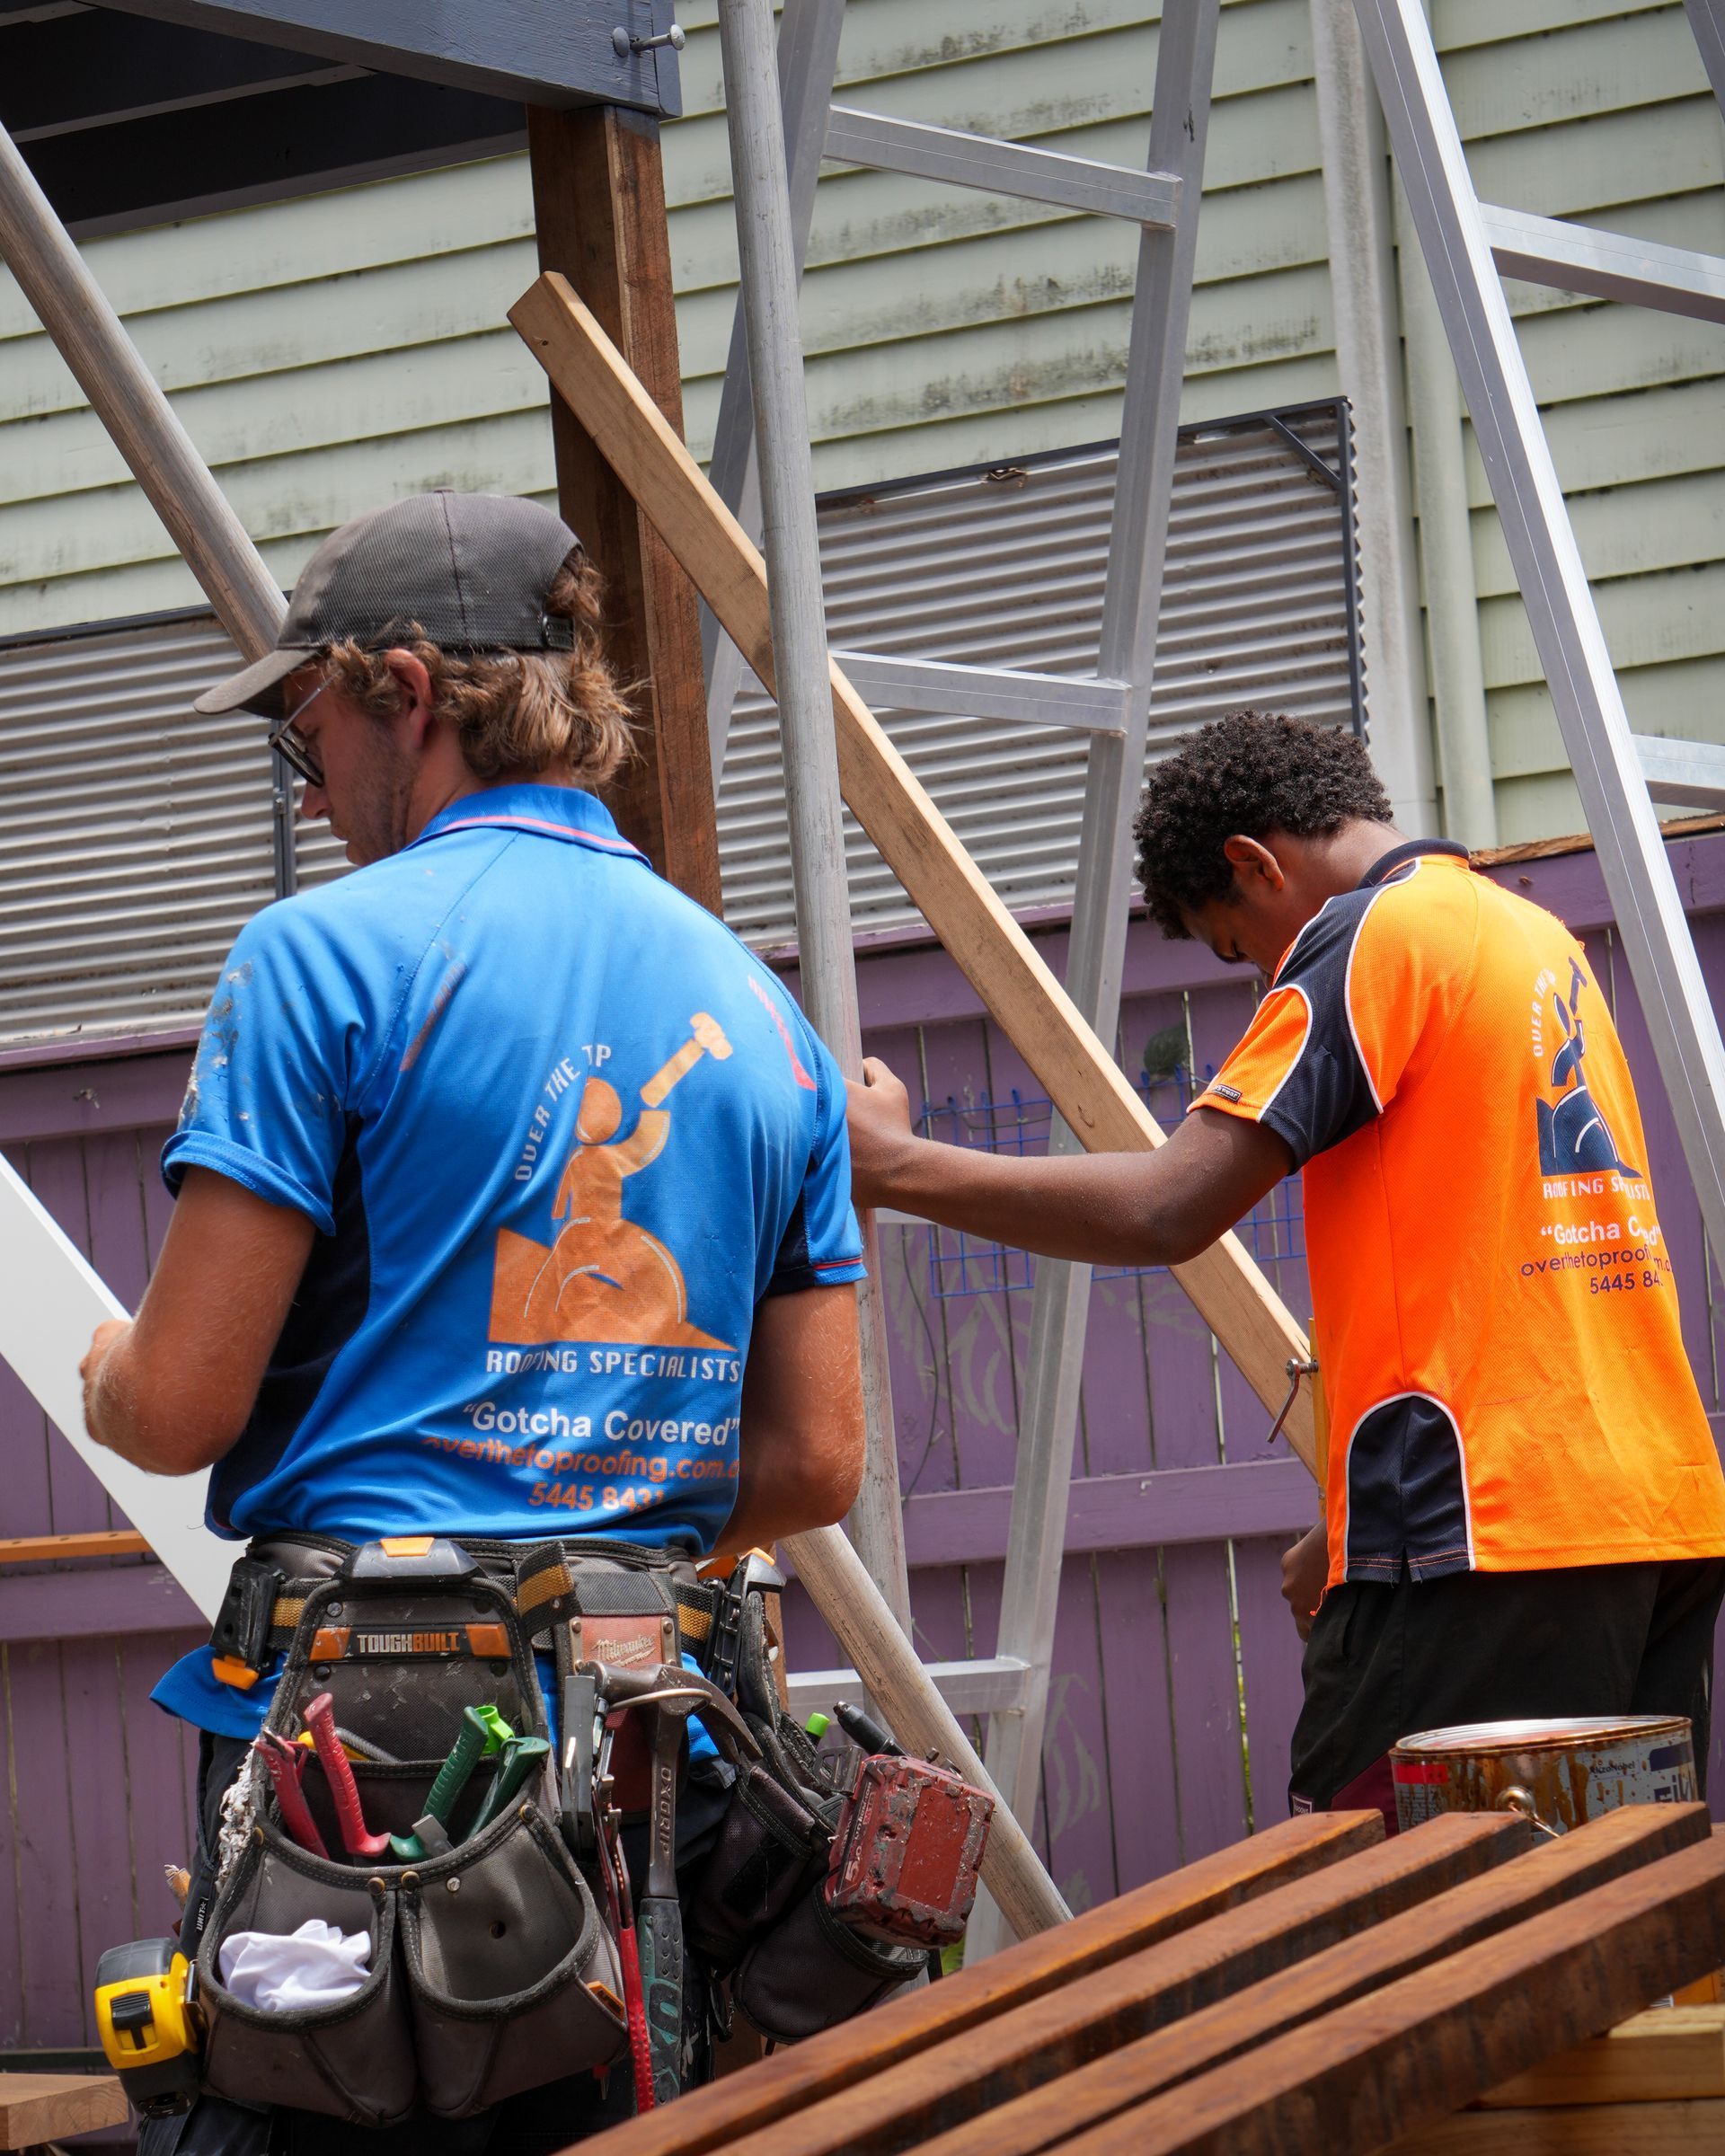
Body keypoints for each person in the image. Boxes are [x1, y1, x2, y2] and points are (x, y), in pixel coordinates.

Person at [79, 490, 867, 2152]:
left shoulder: (322, 962)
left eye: (310, 730)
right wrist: (578, 1517)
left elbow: (180, 1408)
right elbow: (813, 1456)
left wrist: (110, 1376)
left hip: (370, 1774)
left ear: (408, 692)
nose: (310, 782)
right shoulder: (759, 1007)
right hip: (659, 1744)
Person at [846, 709, 1725, 1825]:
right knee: (1603, 1920)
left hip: (1489, 1539)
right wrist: (1360, 1524)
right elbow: (1510, 1281)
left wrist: (895, 1164)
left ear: (1255, 864)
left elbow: (1170, 1207)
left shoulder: (1370, 937)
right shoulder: (1527, 938)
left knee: (1369, 1915)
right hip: (1650, 1512)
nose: (1261, 975)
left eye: (1238, 945)